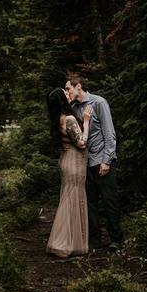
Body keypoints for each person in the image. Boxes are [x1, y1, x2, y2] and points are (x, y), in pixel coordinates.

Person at [66, 74, 123, 250]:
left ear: (79, 86)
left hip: (102, 161)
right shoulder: (74, 108)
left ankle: (116, 239)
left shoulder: (98, 103)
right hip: (85, 163)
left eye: (69, 88)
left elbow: (109, 134)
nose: (67, 92)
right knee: (90, 203)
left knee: (109, 200)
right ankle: (95, 241)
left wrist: (107, 160)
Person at [45, 88, 93, 258]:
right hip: (74, 162)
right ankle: (66, 243)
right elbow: (81, 143)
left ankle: (68, 240)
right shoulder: (70, 118)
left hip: (66, 160)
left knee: (68, 199)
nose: (68, 94)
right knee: (72, 200)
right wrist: (86, 122)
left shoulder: (58, 119)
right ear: (62, 101)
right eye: (65, 94)